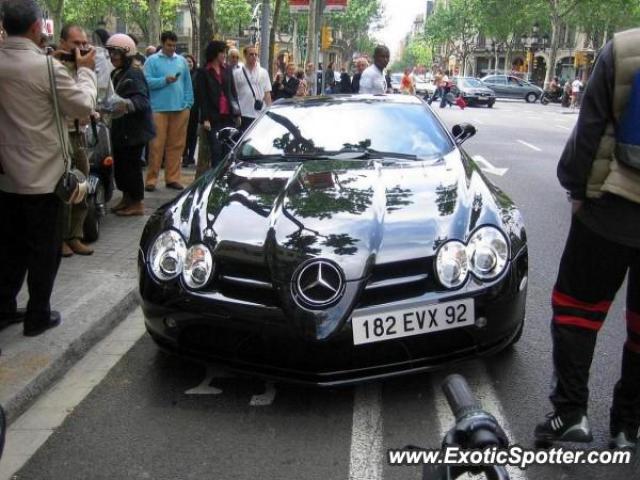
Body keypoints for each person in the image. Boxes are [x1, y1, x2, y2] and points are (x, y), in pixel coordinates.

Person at [534, 28, 640, 451]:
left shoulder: (625, 48)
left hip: (610, 208)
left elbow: (590, 128)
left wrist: (576, 190)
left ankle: (571, 414)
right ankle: (628, 425)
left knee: (576, 311)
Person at [0, 0, 97, 336]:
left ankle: (5, 307)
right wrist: (84, 70)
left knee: (10, 248)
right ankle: (37, 315)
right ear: (36, 28)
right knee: (44, 250)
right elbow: (83, 106)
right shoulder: (46, 68)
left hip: (6, 176)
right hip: (43, 176)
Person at [55, 24, 96, 256]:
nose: (81, 48)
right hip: (59, 134)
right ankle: (59, 237)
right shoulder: (54, 67)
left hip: (80, 132)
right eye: (75, 44)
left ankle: (75, 235)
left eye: (84, 43)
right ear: (63, 43)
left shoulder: (85, 67)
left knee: (81, 182)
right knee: (62, 186)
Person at [106, 34, 155, 216]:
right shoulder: (117, 73)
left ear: (127, 53)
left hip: (134, 131)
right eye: (111, 53)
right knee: (121, 167)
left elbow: (142, 101)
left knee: (131, 167)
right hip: (121, 130)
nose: (113, 57)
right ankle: (127, 198)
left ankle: (137, 203)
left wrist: (123, 104)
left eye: (117, 53)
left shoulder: (134, 73)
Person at [143, 31, 193, 191]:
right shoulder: (151, 61)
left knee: (177, 145)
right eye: (169, 45)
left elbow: (187, 83)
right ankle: (151, 179)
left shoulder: (182, 61)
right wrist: (164, 80)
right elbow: (146, 82)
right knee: (156, 146)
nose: (172, 48)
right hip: (158, 109)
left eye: (174, 45)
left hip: (180, 109)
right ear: (162, 43)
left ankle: (172, 178)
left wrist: (188, 104)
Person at [195, 40, 240, 178]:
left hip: (228, 115)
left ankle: (227, 178)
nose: (224, 55)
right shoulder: (203, 72)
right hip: (213, 117)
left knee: (229, 150)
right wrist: (205, 119)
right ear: (215, 53)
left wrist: (237, 113)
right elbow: (202, 97)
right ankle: (216, 178)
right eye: (222, 52)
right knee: (216, 150)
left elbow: (232, 92)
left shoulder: (228, 70)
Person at [233, 45, 272, 132]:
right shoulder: (236, 73)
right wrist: (236, 113)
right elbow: (234, 94)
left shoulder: (263, 72)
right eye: (251, 54)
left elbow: (267, 93)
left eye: (256, 54)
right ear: (245, 56)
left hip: (260, 113)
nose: (254, 56)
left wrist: (269, 110)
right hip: (244, 113)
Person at [182, 53, 198, 167]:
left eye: (190, 61)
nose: (189, 63)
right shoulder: (180, 75)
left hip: (195, 109)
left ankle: (191, 156)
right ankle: (184, 156)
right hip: (182, 108)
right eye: (186, 61)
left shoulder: (197, 75)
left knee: (193, 134)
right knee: (183, 134)